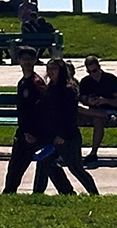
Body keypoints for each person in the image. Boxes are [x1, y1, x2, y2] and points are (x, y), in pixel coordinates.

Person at [1, 49, 73, 195]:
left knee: (44, 163)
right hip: (24, 131)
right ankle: (9, 192)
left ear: (35, 61)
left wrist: (33, 132)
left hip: (36, 132)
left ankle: (66, 191)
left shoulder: (36, 83)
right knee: (19, 165)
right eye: (24, 59)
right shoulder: (22, 83)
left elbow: (42, 109)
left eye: (30, 59)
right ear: (19, 61)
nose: (26, 62)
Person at [33, 58, 99, 196]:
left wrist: (62, 135)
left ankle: (94, 194)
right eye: (49, 69)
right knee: (44, 163)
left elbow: (70, 115)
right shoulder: (49, 88)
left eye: (54, 69)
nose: (51, 72)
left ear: (61, 71)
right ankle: (40, 194)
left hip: (68, 137)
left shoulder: (68, 89)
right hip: (51, 136)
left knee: (75, 168)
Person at [77, 55, 117, 163]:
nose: (93, 74)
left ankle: (93, 153)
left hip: (110, 110)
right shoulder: (85, 81)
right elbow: (83, 99)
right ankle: (69, 152)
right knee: (72, 117)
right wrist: (89, 101)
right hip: (91, 111)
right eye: (89, 72)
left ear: (99, 67)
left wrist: (105, 100)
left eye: (94, 71)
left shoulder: (111, 79)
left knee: (98, 120)